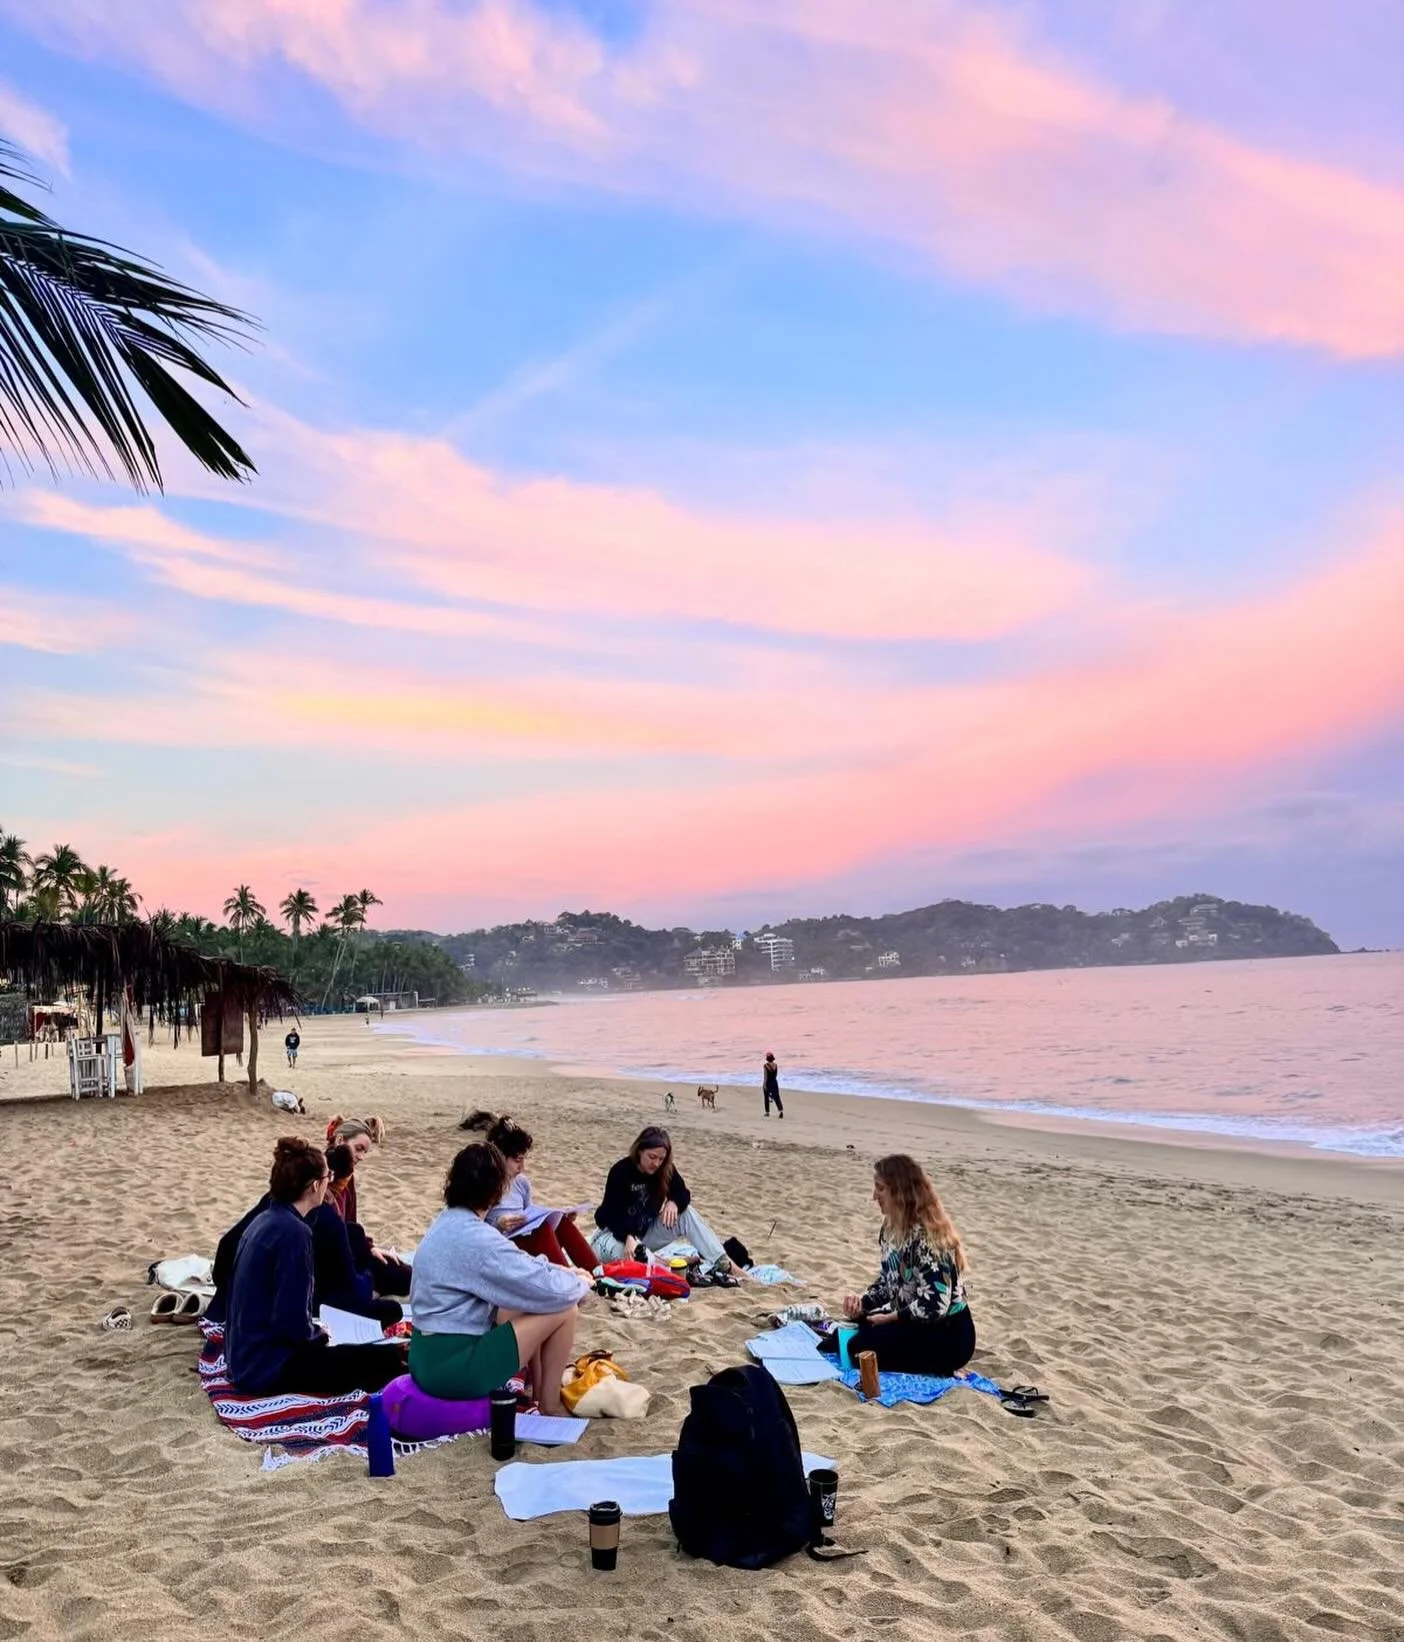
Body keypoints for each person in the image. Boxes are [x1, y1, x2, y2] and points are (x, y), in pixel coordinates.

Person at [410, 1142, 591, 1413]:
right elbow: (548, 1290)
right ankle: (551, 1404)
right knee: (565, 1307)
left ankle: (539, 1391)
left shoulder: (447, 1221)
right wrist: (580, 1282)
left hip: (425, 1357)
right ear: (497, 1191)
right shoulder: (476, 1238)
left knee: (525, 1302)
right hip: (454, 1370)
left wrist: (564, 1271)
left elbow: (522, 1270)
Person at [225, 1138, 406, 1396]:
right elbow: (292, 1322)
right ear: (314, 1186)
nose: (330, 1181)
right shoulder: (294, 1232)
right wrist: (320, 1335)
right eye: (327, 1176)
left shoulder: (266, 1219)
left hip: (242, 1357)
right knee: (378, 1361)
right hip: (266, 1367)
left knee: (366, 1350)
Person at [835, 1154, 975, 1376]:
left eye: (880, 1189)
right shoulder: (891, 1228)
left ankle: (943, 1367)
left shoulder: (926, 1238)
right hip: (916, 1323)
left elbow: (935, 1305)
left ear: (898, 1192)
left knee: (858, 1349)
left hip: (948, 1332)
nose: (874, 1196)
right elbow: (890, 1281)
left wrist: (889, 1318)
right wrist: (862, 1303)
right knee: (856, 1330)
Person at [464, 1111, 598, 1270]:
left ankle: (598, 1274)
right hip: (501, 1250)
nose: (522, 1168)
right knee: (541, 1230)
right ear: (499, 1156)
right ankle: (568, 1280)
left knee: (560, 1222)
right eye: (517, 1160)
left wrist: (556, 1215)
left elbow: (530, 1216)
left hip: (524, 1245)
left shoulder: (521, 1183)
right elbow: (473, 1234)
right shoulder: (485, 1184)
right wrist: (499, 1225)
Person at [590, 1127, 733, 1271]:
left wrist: (673, 1202)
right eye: (652, 1157)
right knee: (636, 1259)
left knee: (686, 1213)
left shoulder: (664, 1170)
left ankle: (720, 1261)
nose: (656, 1163)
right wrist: (628, 1235)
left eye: (661, 1159)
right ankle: (665, 1263)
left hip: (643, 1235)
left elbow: (683, 1193)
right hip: (612, 1236)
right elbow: (607, 1216)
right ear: (640, 1151)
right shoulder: (621, 1171)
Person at [307, 1144, 403, 1326]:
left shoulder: (276, 1209)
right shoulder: (325, 1218)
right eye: (358, 1149)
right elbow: (349, 1288)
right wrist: (367, 1276)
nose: (360, 1157)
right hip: (323, 1305)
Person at [324, 1115, 410, 1297]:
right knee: (398, 1276)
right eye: (358, 1149)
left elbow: (351, 1223)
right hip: (332, 1258)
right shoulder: (321, 1173)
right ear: (340, 1140)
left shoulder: (349, 1177)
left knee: (402, 1270)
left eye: (365, 1152)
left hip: (351, 1249)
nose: (361, 1157)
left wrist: (369, 1247)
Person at [762, 1051, 783, 1119]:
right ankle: (780, 1111)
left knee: (766, 1097)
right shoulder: (775, 1065)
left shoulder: (765, 1066)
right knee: (777, 1097)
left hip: (768, 1083)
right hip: (774, 1082)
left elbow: (765, 1077)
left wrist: (764, 1085)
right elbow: (775, 1075)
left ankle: (767, 1112)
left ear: (767, 1059)